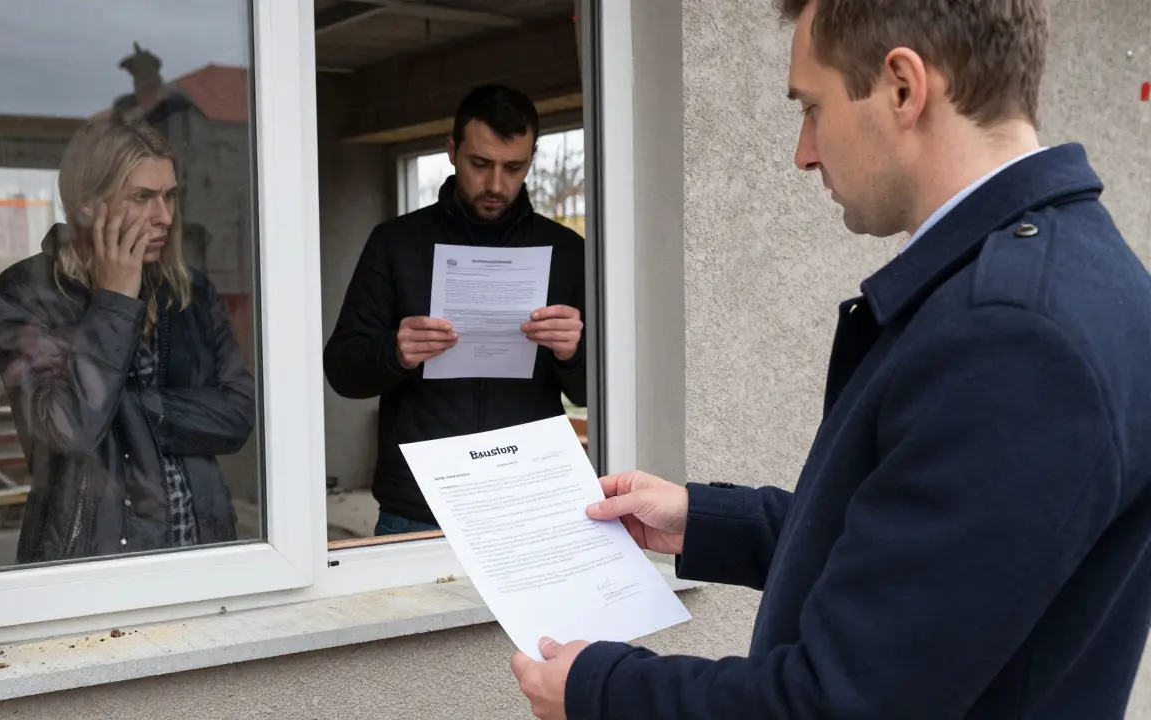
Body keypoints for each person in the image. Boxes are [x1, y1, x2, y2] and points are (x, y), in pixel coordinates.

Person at [511, 0, 1151, 718]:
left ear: (903, 88)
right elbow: (921, 560)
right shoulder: (1066, 274)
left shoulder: (1015, 335)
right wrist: (706, 520)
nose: (803, 151)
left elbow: (837, 704)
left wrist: (597, 689)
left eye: (812, 108)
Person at [0, 117, 256, 564]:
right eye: (142, 197)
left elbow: (238, 415)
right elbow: (69, 431)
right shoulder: (26, 292)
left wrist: (125, 410)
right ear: (89, 204)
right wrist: (114, 301)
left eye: (170, 195)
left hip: (202, 548)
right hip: (91, 561)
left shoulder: (189, 289)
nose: (165, 216)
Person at [324, 85, 587, 536]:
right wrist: (395, 351)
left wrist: (574, 352)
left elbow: (592, 393)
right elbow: (343, 370)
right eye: (480, 164)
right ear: (451, 151)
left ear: (532, 158)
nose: (496, 185)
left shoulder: (565, 251)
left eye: (514, 167)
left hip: (527, 498)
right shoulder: (396, 243)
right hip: (419, 504)